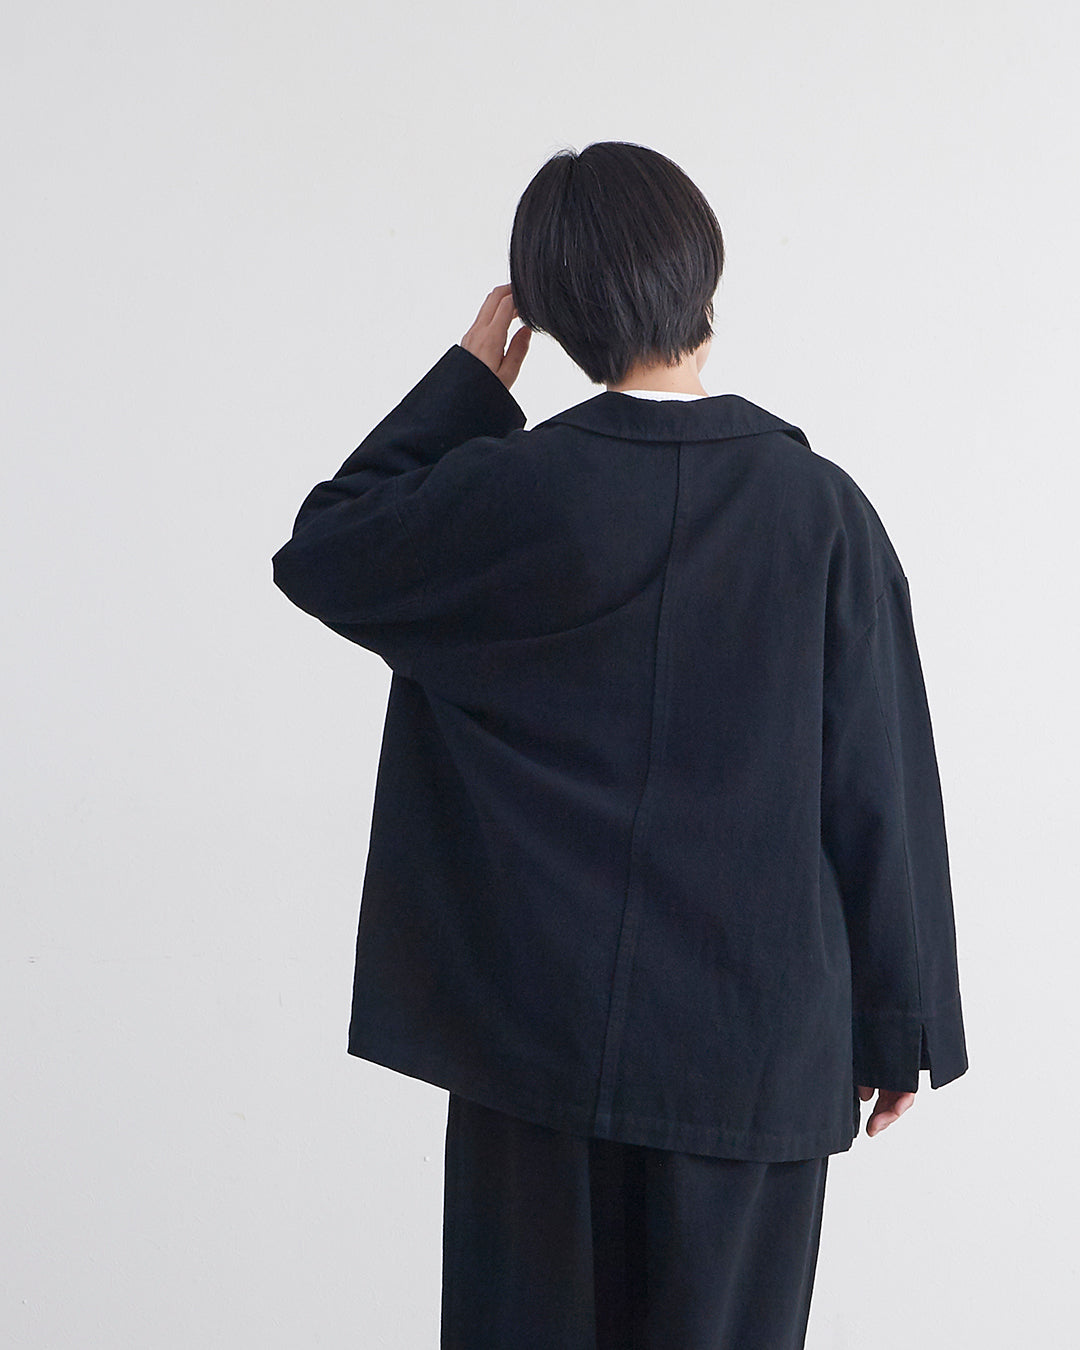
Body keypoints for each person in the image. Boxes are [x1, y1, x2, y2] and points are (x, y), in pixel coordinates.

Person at [271, 140, 968, 1349]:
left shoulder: (505, 496)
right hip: (753, 1051)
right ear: (705, 275)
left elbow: (328, 549)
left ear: (548, 314)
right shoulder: (821, 513)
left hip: (535, 1045)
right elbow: (878, 779)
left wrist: (468, 386)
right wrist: (900, 1024)